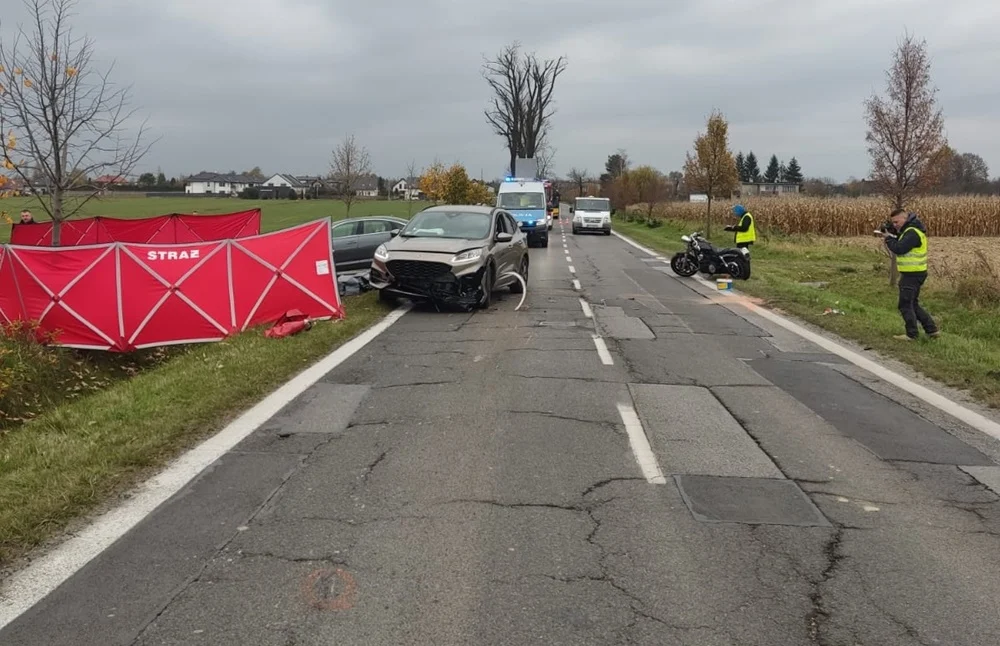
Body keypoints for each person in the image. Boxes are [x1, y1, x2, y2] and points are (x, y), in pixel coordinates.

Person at [879, 208, 939, 341]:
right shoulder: (910, 230)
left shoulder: (912, 233)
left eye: (896, 222)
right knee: (913, 303)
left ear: (905, 218)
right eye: (892, 223)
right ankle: (932, 330)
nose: (895, 225)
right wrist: (892, 232)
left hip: (912, 274)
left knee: (905, 304)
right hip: (914, 272)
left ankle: (911, 334)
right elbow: (901, 241)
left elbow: (899, 248)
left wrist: (888, 239)